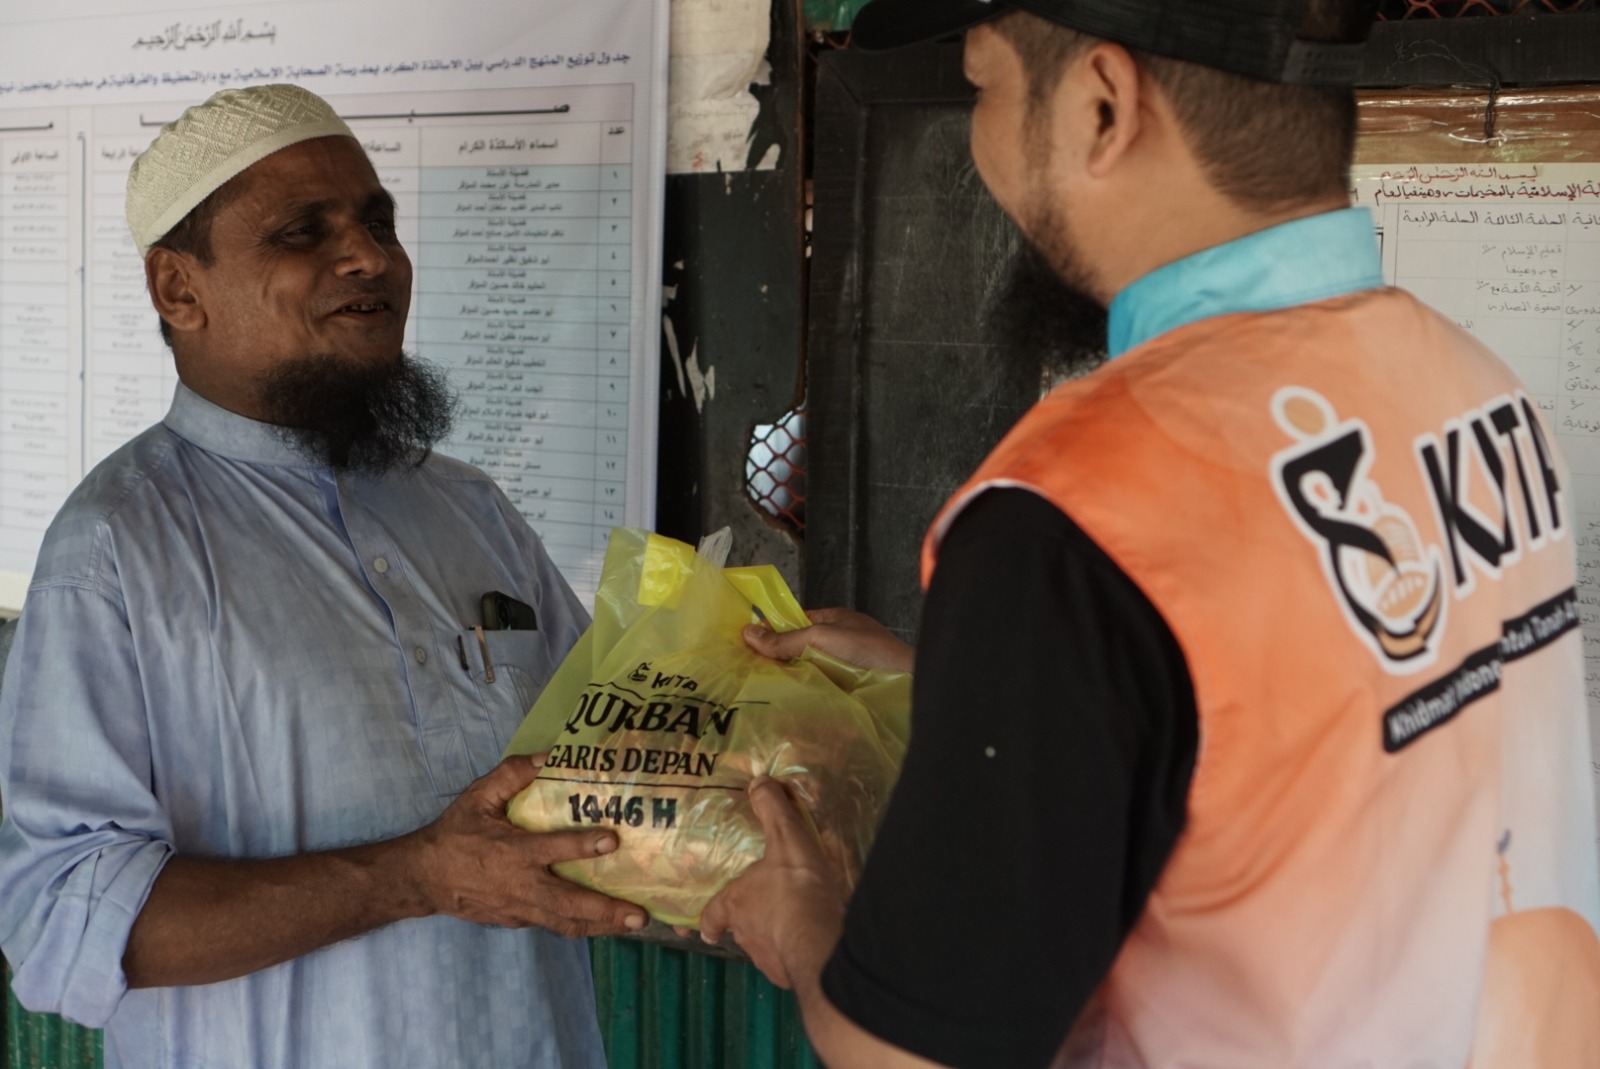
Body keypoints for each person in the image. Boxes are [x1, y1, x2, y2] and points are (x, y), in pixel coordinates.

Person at [700, 1, 1600, 1066]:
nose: (979, 140)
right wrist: (956, 681)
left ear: (1102, 105)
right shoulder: (1480, 395)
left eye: (984, 85)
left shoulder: (1075, 512)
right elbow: (1309, 715)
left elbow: (910, 1054)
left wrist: (801, 917)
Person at [0, 84, 648, 1068]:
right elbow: (63, 916)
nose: (369, 258)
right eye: (304, 232)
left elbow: (604, 755)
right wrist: (412, 877)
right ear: (179, 290)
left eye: (378, 223)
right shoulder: (115, 551)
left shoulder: (470, 510)